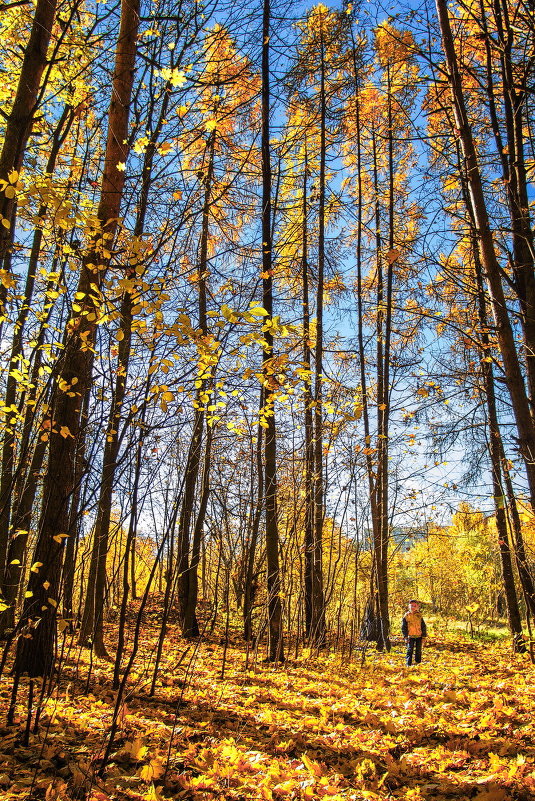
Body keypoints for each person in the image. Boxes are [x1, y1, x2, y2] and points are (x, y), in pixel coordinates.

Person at [402, 599, 427, 666]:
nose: (413, 607)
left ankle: (418, 663)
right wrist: (405, 636)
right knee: (410, 650)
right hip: (410, 636)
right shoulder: (406, 616)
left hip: (419, 636)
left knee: (418, 651)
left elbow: (423, 626)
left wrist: (424, 636)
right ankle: (408, 664)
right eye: (411, 606)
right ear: (409, 606)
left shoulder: (419, 615)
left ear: (417, 607)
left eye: (414, 606)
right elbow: (404, 627)